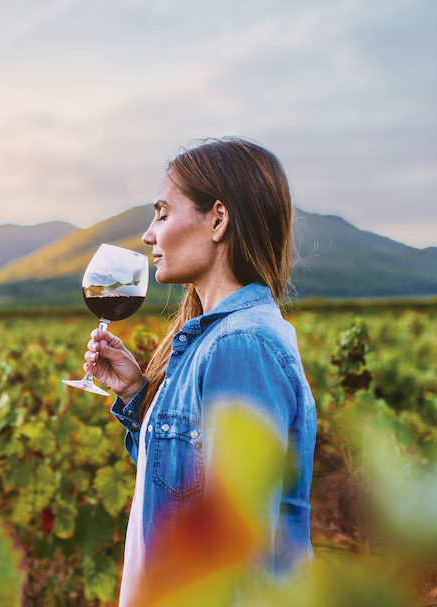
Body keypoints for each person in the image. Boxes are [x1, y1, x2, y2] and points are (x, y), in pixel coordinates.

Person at [82, 137, 317, 605]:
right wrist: (136, 395)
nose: (149, 234)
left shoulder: (239, 346)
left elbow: (236, 549)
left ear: (218, 219)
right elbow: (181, 489)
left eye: (163, 214)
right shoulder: (212, 340)